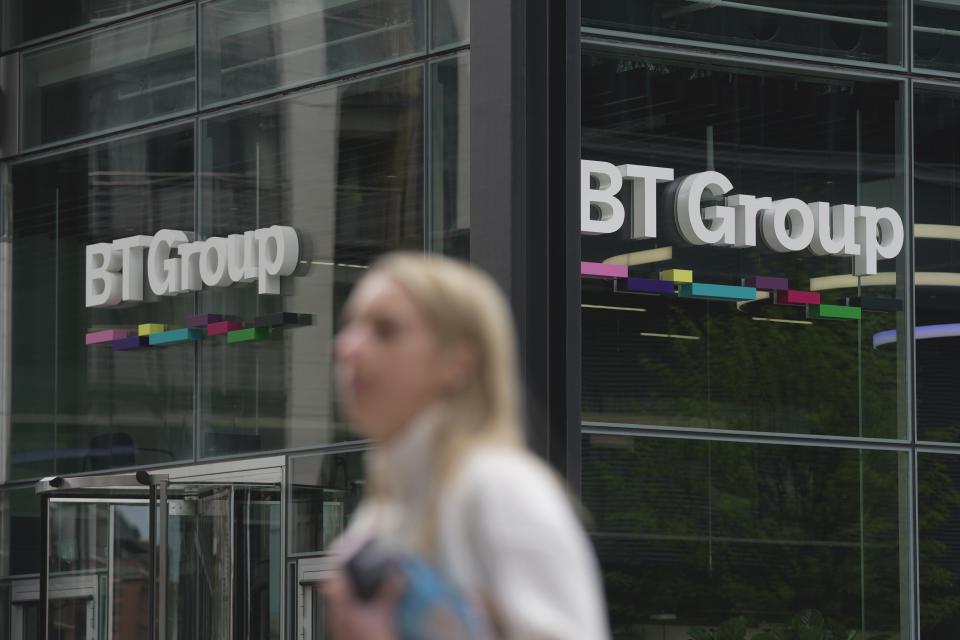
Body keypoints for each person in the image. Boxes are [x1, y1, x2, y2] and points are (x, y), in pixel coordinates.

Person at [324, 252, 610, 639]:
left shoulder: (499, 486)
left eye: (385, 330)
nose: (347, 348)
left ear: (457, 362)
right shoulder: (386, 506)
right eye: (349, 325)